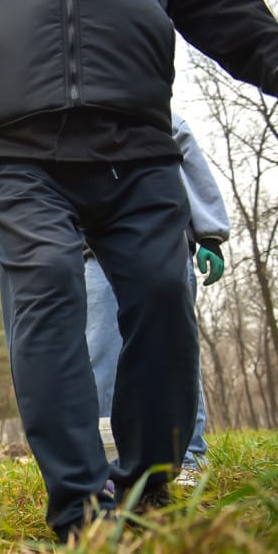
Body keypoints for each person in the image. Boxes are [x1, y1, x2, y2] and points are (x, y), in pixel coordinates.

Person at [0, 0, 278, 542]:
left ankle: (147, 485)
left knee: (163, 293)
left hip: (136, 141)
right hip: (13, 148)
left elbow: (226, 12)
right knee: (47, 284)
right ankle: (81, 509)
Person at [86, 113, 228, 487]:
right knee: (101, 355)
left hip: (164, 242)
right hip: (94, 255)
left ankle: (189, 453)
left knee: (174, 350)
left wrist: (210, 233)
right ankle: (112, 460)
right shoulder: (70, 118)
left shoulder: (159, 112)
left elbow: (190, 167)